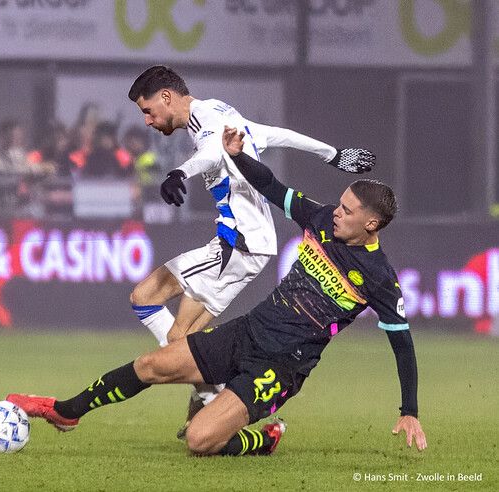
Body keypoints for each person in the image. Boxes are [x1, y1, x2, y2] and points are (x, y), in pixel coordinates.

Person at [6, 126, 427, 457]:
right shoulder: (319, 220)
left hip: (280, 367)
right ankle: (66, 412)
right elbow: (272, 187)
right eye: (339, 203)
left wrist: (409, 411)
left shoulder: (378, 278)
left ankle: (262, 441)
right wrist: (238, 155)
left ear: (371, 224)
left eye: (348, 211)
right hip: (246, 333)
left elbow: (403, 346)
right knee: (152, 364)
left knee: (198, 439)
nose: (337, 211)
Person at [125, 65, 375, 429]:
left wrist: (181, 172)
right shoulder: (221, 111)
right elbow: (278, 134)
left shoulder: (207, 118)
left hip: (237, 243)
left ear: (166, 97)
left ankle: (220, 398)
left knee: (153, 307)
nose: (148, 120)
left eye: (148, 110)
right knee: (181, 335)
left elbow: (212, 153)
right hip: (247, 242)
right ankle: (215, 406)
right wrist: (331, 153)